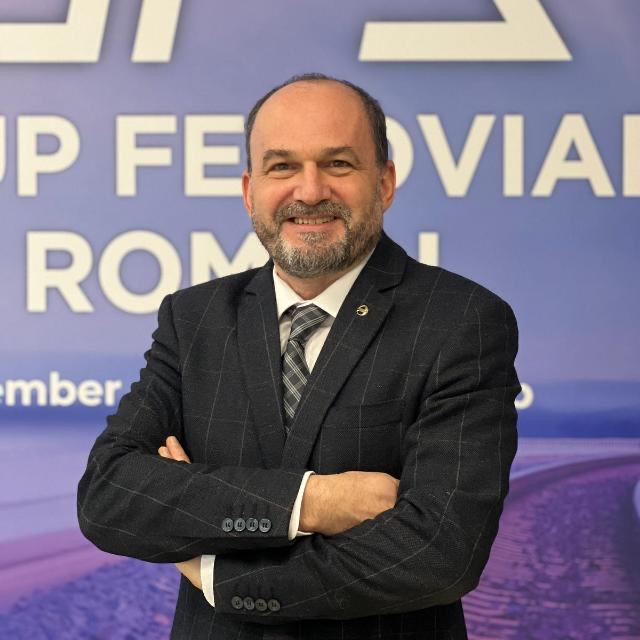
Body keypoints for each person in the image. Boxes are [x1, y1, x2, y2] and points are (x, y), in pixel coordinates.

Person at [77, 73, 520, 640]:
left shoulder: (461, 321)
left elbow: (439, 552)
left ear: (384, 183)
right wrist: (312, 501)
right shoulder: (194, 319)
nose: (309, 192)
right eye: (282, 166)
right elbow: (109, 495)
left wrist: (220, 574)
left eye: (338, 164)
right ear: (250, 190)